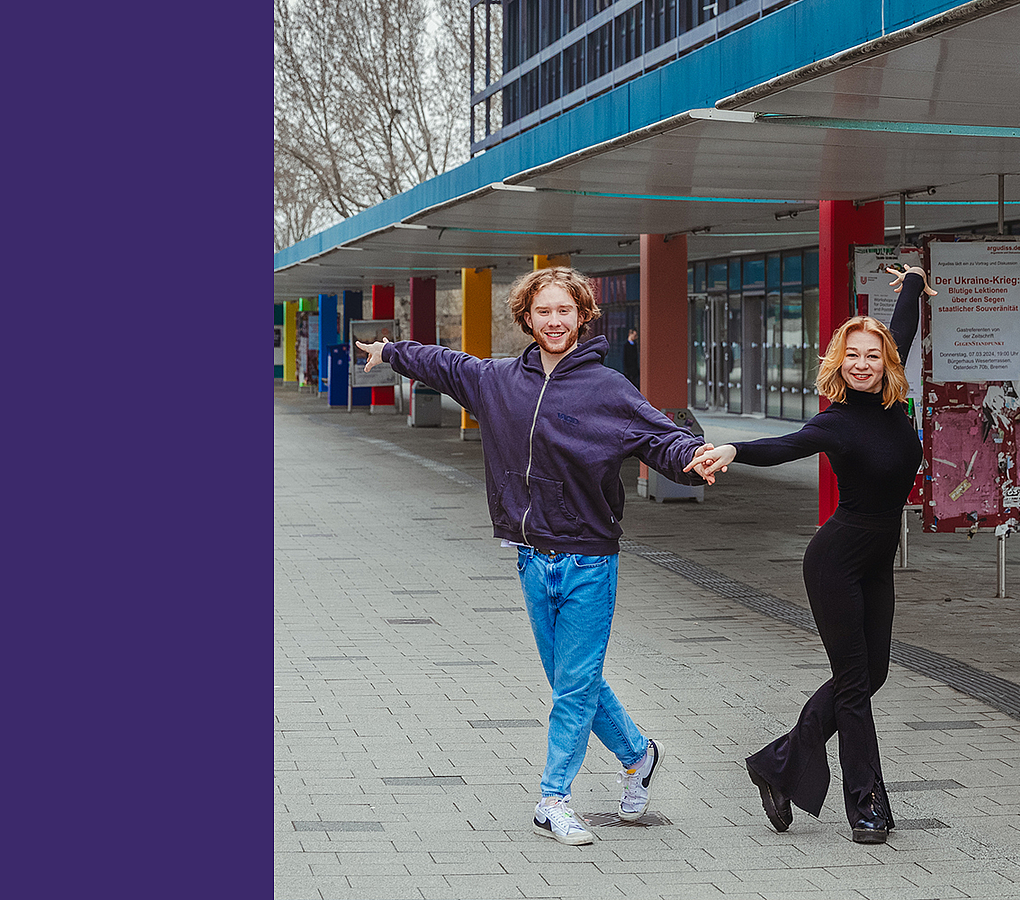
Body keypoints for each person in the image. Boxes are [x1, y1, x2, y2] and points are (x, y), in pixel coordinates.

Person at [355, 267, 709, 846]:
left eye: (564, 311)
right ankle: (639, 755)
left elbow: (659, 437)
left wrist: (693, 456)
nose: (554, 321)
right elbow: (445, 365)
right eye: (543, 311)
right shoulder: (498, 381)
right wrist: (392, 351)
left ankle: (553, 799)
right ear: (527, 316)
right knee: (575, 680)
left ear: (582, 316)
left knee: (573, 686)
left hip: (589, 560)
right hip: (529, 556)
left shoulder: (607, 388)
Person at [684, 263, 931, 845]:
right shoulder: (837, 421)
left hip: (876, 556)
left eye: (873, 354)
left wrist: (916, 281)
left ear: (887, 360)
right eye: (852, 356)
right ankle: (865, 805)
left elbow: (902, 325)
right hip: (836, 559)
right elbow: (784, 446)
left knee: (874, 673)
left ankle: (776, 764)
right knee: (852, 683)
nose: (863, 362)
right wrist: (732, 449)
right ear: (838, 364)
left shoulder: (894, 405)